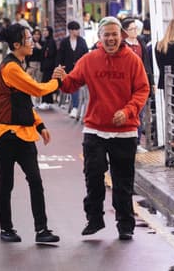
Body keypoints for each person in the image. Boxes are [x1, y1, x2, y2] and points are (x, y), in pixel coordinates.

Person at [59, 17, 150, 241]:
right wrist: (61, 79)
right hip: (95, 130)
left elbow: (142, 90)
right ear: (99, 37)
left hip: (125, 131)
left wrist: (127, 111)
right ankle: (94, 219)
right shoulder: (90, 60)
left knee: (122, 181)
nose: (110, 38)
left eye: (114, 34)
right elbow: (72, 84)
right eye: (106, 35)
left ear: (121, 36)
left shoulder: (132, 60)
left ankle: (125, 224)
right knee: (93, 176)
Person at [0, 23, 62, 244]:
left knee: (35, 181)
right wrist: (57, 81)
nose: (33, 41)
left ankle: (42, 230)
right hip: (5, 134)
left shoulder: (19, 65)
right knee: (7, 182)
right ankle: (6, 229)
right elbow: (37, 90)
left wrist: (40, 126)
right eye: (28, 38)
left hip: (22, 132)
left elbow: (24, 102)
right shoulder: (10, 68)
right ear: (17, 44)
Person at [57, 20, 88, 119]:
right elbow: (60, 55)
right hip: (68, 68)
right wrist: (60, 67)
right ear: (70, 30)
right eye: (75, 29)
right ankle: (74, 107)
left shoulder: (82, 41)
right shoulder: (64, 42)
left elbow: (86, 54)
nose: (77, 31)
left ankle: (75, 107)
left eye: (78, 29)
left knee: (76, 87)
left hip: (80, 69)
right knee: (73, 87)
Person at [39, 26, 58, 110]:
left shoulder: (51, 42)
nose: (44, 32)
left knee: (45, 83)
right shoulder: (47, 41)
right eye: (43, 31)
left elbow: (49, 53)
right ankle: (47, 101)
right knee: (45, 83)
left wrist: (43, 50)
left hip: (49, 67)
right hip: (47, 66)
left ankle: (46, 102)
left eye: (46, 31)